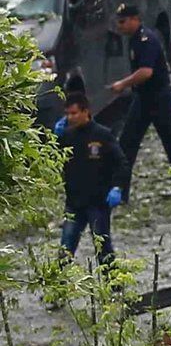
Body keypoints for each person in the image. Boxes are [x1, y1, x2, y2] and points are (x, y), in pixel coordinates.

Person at [110, 4, 171, 196]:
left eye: (123, 22)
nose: (120, 27)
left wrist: (123, 84)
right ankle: (120, 190)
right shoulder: (134, 40)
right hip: (143, 98)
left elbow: (146, 72)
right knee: (127, 143)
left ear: (135, 19)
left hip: (158, 98)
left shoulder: (146, 39)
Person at [54, 92, 125, 269]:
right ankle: (58, 289)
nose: (70, 117)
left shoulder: (102, 135)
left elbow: (121, 163)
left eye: (74, 113)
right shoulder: (67, 136)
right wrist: (54, 140)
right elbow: (52, 159)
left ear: (86, 111)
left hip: (98, 202)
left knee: (103, 248)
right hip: (74, 203)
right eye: (68, 114)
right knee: (66, 248)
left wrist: (117, 187)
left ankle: (114, 287)